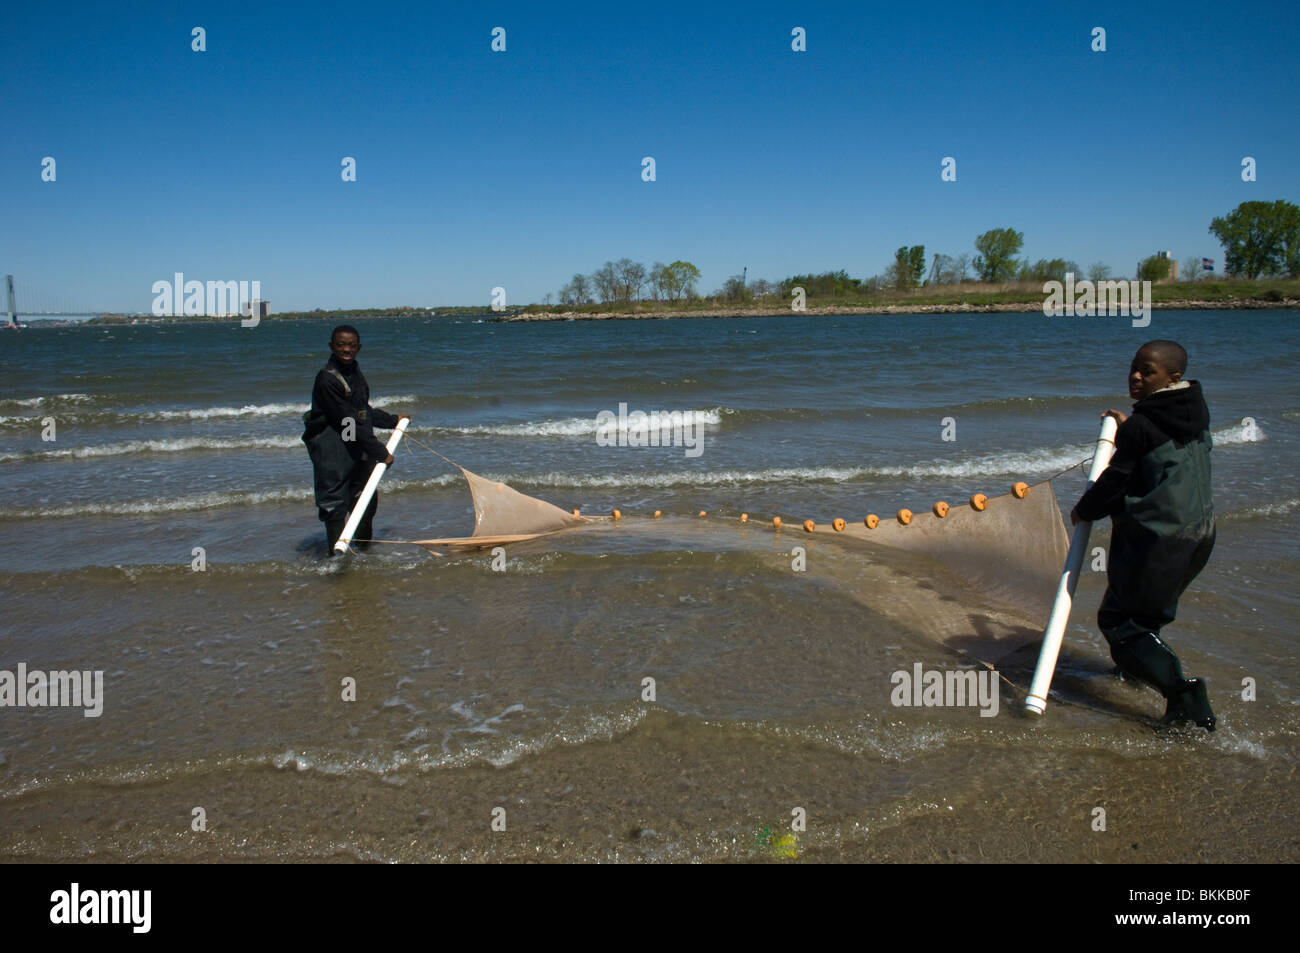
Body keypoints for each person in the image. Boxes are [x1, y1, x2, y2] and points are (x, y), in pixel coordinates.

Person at [1070, 340, 1216, 730]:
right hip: (1199, 534)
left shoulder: (1143, 427)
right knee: (1147, 615)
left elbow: (1116, 481)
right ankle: (1135, 672)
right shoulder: (1194, 411)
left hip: (1159, 541)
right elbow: (1159, 455)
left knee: (1120, 623)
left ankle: (1184, 695)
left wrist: (1083, 510)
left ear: (1173, 377)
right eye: (1134, 368)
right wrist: (1128, 430)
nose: (1135, 376)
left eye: (1146, 372)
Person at [302, 325, 410, 552]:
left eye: (351, 345)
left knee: (365, 499)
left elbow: (361, 411)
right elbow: (346, 420)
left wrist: (392, 420)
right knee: (334, 503)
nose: (346, 349)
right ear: (332, 346)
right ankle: (336, 559)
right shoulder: (327, 379)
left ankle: (363, 552)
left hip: (354, 442)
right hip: (332, 446)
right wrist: (380, 452)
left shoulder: (354, 373)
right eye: (341, 344)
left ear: (358, 347)